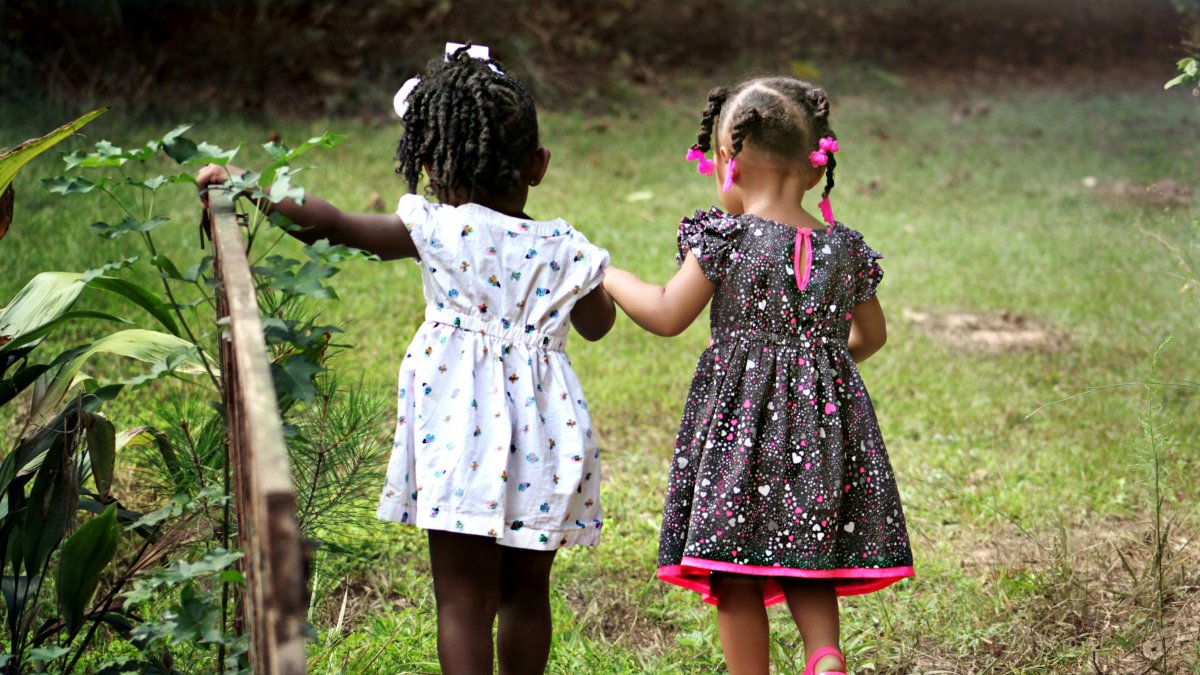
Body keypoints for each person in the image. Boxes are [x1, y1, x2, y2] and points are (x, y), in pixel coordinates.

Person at [197, 44, 615, 675]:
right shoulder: (565, 247)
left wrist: (249, 185)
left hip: (459, 432)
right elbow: (598, 324)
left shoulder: (439, 229)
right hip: (546, 439)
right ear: (538, 165)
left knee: (463, 602)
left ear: (427, 165)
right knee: (527, 595)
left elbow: (331, 225)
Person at [602, 77, 913, 675]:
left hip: (739, 435)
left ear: (729, 161)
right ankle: (824, 655)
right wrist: (818, 362)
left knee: (735, 571)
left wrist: (607, 274)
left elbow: (666, 313)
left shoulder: (728, 238)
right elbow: (871, 337)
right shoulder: (846, 249)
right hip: (823, 432)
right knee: (806, 553)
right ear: (815, 167)